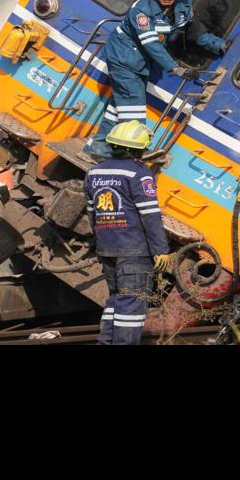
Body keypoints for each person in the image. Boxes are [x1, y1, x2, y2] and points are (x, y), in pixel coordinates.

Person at [90, 0, 227, 157]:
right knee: (133, 105)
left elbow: (192, 30)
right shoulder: (141, 11)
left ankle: (99, 147)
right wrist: (176, 68)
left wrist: (218, 44)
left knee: (119, 105)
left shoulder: (183, 6)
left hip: (141, 62)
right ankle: (132, 153)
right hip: (123, 57)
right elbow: (151, 43)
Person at [86, 121, 175, 345]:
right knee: (132, 307)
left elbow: (91, 214)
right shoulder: (139, 173)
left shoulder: (94, 172)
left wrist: (101, 242)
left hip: (107, 249)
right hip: (134, 251)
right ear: (139, 149)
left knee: (116, 302)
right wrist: (161, 250)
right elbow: (150, 215)